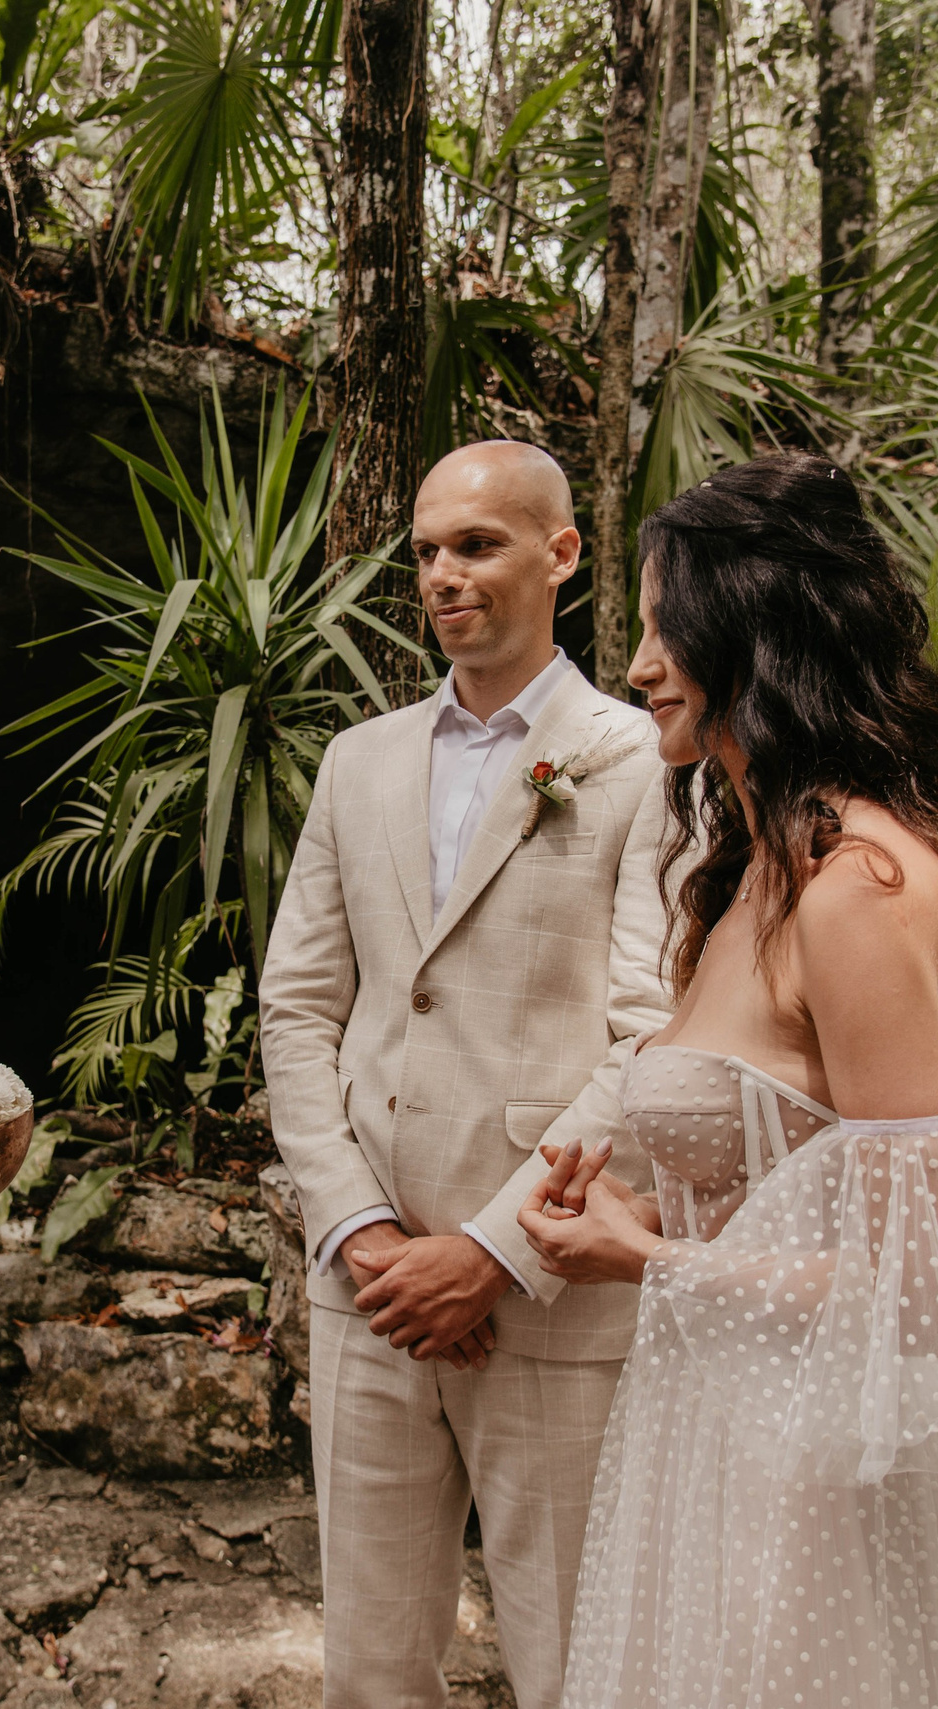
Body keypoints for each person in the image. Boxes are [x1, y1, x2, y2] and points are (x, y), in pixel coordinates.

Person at [514, 452, 938, 1709]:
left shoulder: (857, 892)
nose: (634, 666)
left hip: (825, 1482)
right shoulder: (755, 870)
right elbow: (786, 1170)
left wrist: (642, 1260)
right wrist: (623, 1202)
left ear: (755, 628)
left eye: (661, 624)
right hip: (721, 1438)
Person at [258, 441, 672, 1709]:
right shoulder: (358, 760)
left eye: (477, 545)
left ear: (561, 554)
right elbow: (298, 1004)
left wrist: (493, 1250)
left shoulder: (642, 757)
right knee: (369, 1664)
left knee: (571, 1658)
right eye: (428, 549)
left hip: (548, 1284)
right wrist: (356, 1225)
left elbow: (651, 1030)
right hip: (370, 1288)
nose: (442, 573)